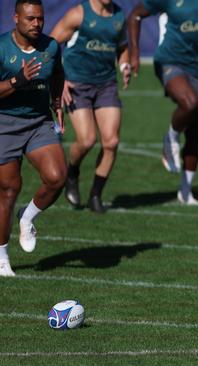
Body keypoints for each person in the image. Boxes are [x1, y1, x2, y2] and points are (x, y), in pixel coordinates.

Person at [127, 0, 198, 205]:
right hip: (169, 60)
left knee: (195, 129)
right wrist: (134, 51)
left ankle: (186, 191)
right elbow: (135, 15)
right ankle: (171, 137)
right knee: (190, 103)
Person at [0, 0, 66, 276]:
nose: (36, 23)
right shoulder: (2, 48)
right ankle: (2, 256)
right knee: (8, 190)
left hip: (39, 121)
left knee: (57, 177)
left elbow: (58, 75)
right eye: (30, 18)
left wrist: (57, 103)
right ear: (16, 18)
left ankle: (27, 218)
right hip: (4, 123)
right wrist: (17, 82)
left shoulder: (51, 47)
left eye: (40, 18)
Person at [50, 0, 130, 213]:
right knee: (86, 140)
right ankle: (72, 172)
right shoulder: (78, 14)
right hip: (77, 84)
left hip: (106, 85)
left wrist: (124, 65)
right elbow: (50, 44)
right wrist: (60, 79)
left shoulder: (119, 16)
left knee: (111, 141)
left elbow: (122, 47)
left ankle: (96, 195)